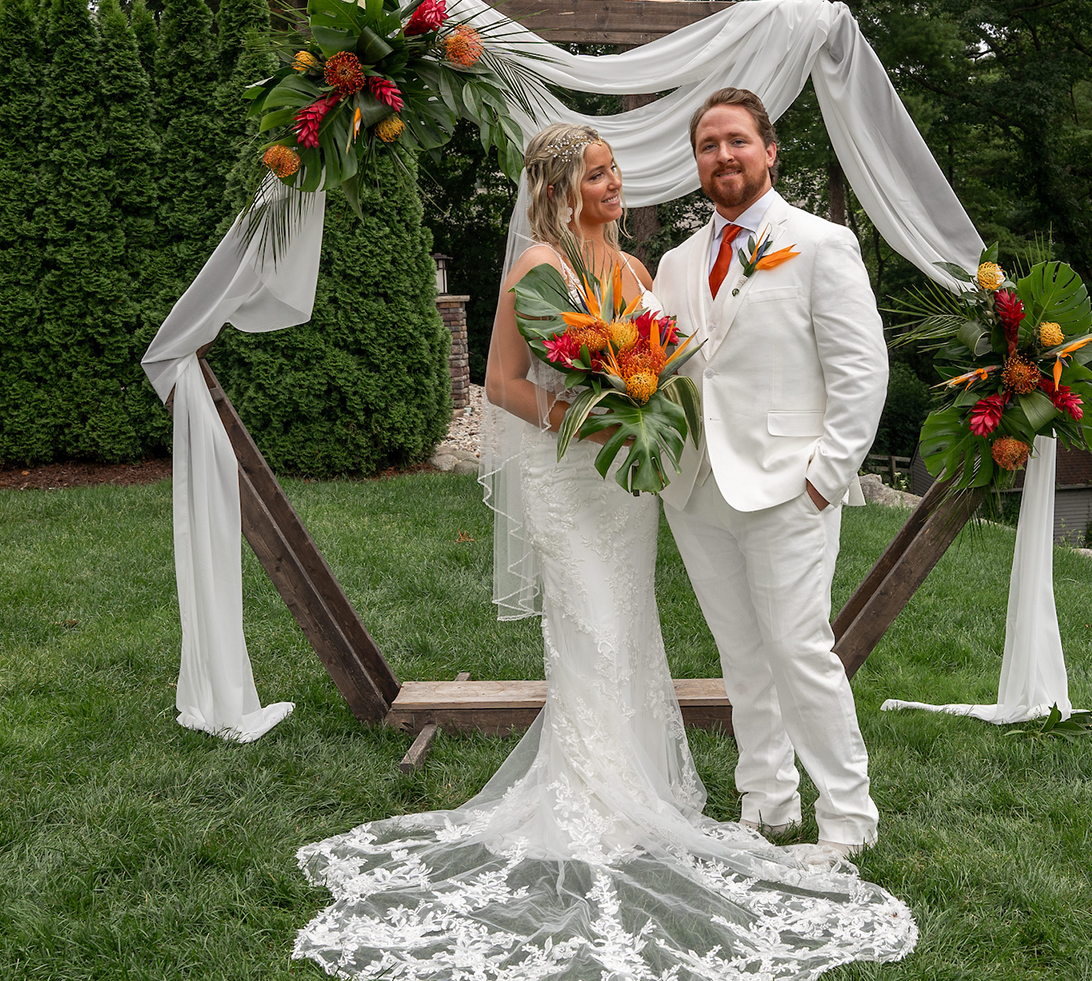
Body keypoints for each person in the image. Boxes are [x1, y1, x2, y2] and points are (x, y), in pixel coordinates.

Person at [290, 123, 916, 980]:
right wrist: (589, 422)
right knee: (607, 633)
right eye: (596, 174)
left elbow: (680, 363)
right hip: (579, 476)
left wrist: (801, 467)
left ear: (771, 150)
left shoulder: (642, 270)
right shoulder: (545, 269)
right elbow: (503, 383)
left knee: (662, 632)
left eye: (615, 169)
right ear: (558, 190)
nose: (615, 183)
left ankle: (813, 812)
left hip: (646, 487)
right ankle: (615, 800)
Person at [654, 88, 891, 867]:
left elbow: (861, 370)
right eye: (707, 145)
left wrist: (826, 477)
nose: (722, 155)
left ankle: (848, 816)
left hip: (790, 485)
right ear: (696, 163)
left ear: (770, 151)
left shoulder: (821, 244)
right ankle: (767, 800)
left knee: (798, 651)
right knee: (741, 654)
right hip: (697, 489)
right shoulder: (677, 263)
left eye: (736, 140)